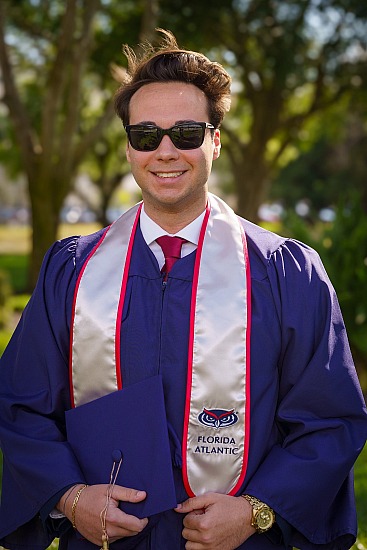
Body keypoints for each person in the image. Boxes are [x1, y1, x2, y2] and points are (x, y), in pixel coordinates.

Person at [0, 29, 366, 550]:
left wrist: (257, 512)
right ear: (129, 147)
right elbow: (21, 405)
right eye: (145, 135)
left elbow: (329, 420)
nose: (165, 151)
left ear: (216, 140)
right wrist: (70, 497)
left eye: (187, 133)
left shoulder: (287, 274)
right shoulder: (73, 271)